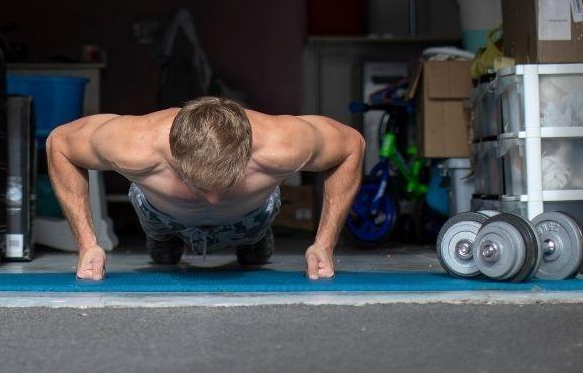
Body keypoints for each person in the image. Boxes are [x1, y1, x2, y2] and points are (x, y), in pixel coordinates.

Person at [46, 95, 365, 281]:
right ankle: (164, 239)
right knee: (163, 260)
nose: (212, 198)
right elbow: (59, 143)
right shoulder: (134, 143)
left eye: (226, 184)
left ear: (248, 152)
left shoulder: (282, 142)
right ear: (174, 156)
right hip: (161, 216)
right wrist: (87, 244)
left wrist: (324, 244)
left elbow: (352, 145)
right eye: (199, 185)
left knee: (254, 260)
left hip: (251, 217)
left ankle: (253, 241)